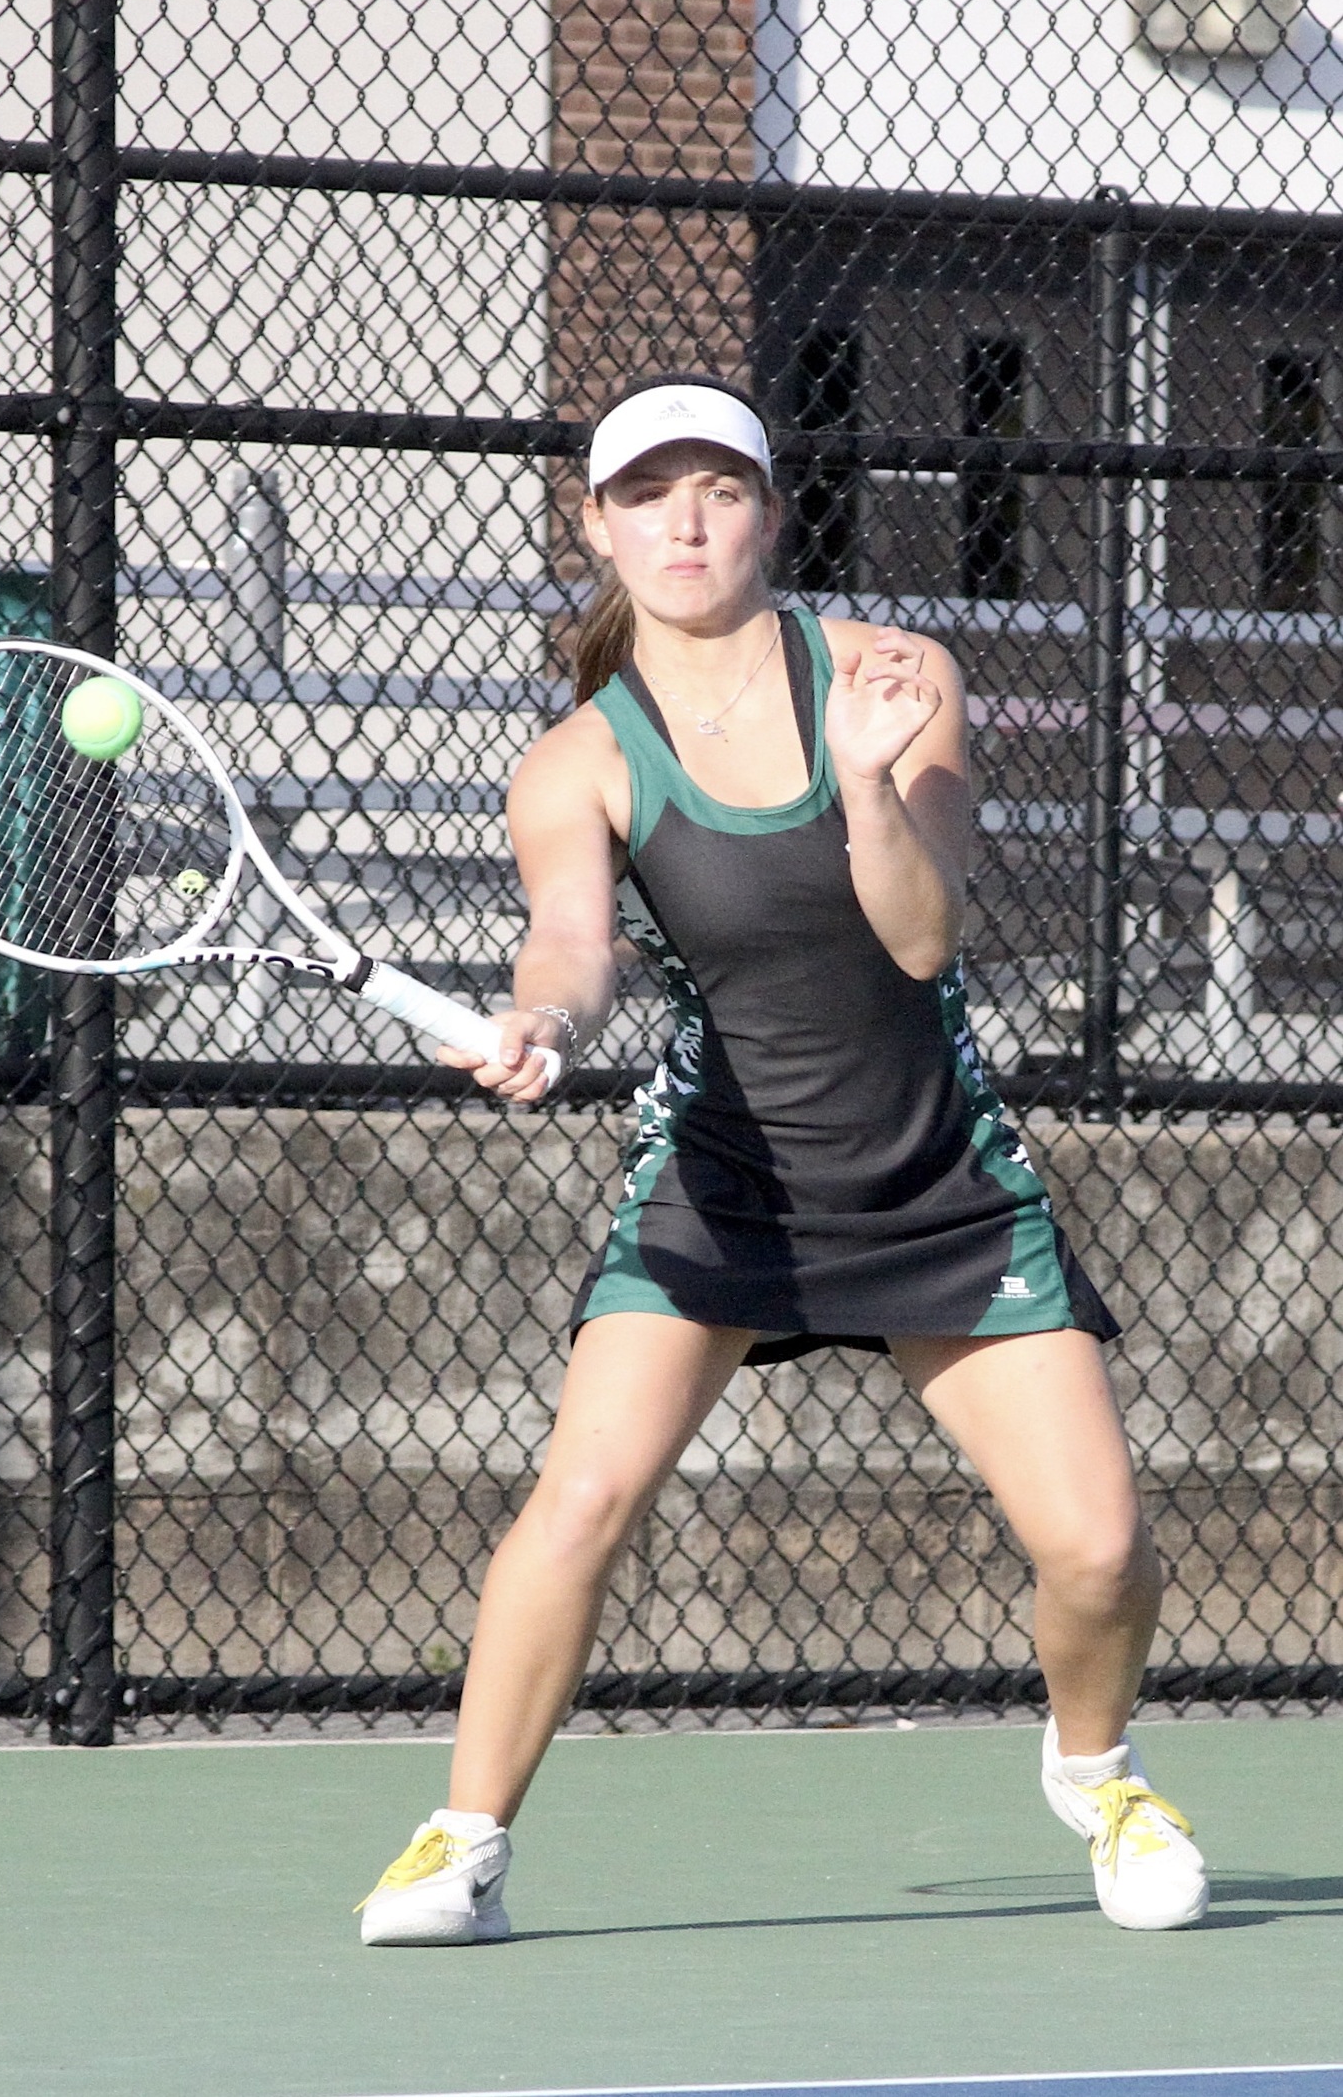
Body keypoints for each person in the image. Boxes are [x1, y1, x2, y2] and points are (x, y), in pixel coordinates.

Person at [356, 374, 1208, 1945]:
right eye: (648, 493)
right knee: (585, 1493)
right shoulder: (576, 762)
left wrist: (870, 779)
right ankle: (462, 1841)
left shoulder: (893, 676)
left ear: (769, 509)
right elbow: (571, 943)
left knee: (1096, 1548)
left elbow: (923, 936)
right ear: (597, 525)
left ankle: (1098, 1770)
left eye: (720, 489)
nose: (687, 521)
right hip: (721, 1181)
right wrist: (540, 1019)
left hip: (936, 1176)